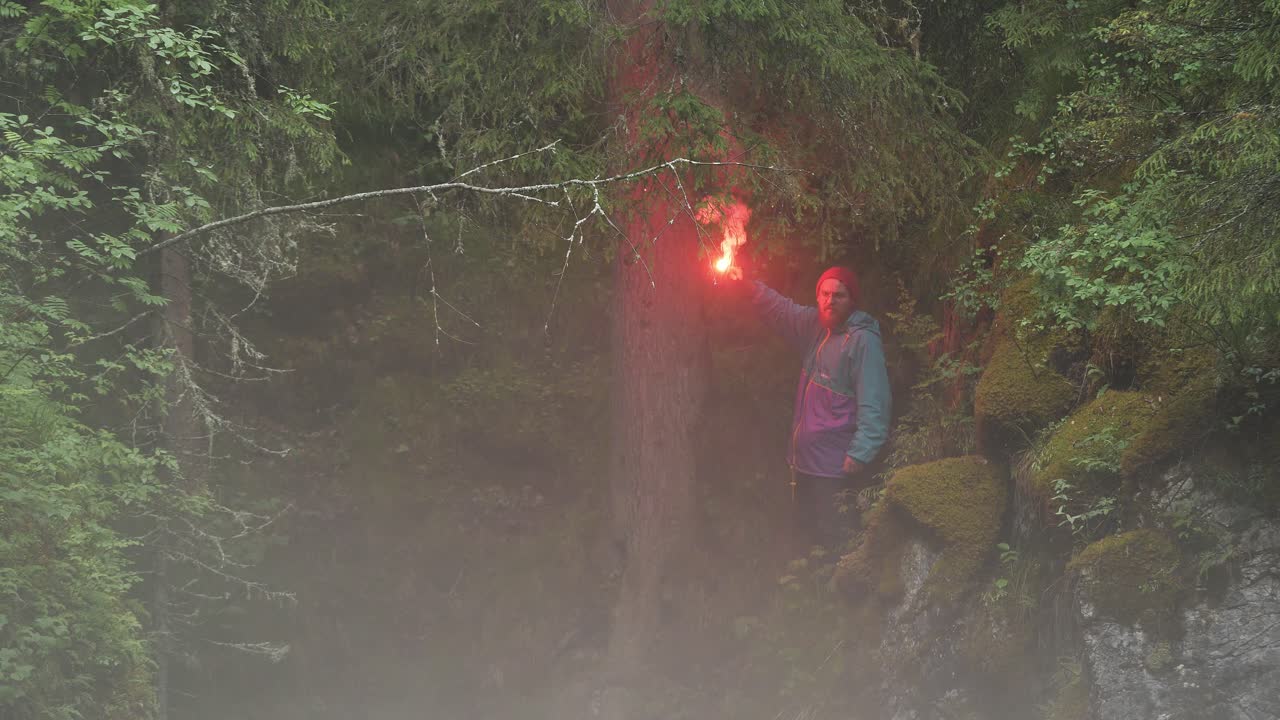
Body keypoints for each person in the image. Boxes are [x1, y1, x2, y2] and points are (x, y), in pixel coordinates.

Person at [729, 265, 892, 548]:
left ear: (852, 300)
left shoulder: (862, 341)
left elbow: (875, 402)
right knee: (805, 537)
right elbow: (782, 311)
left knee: (835, 539)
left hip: (835, 467)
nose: (830, 301)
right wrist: (749, 286)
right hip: (803, 462)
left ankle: (840, 590)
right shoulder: (815, 326)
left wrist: (861, 452)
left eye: (839, 295)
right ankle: (808, 588)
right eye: (825, 294)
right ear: (818, 297)